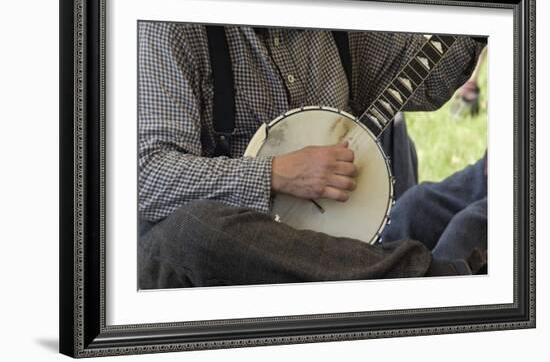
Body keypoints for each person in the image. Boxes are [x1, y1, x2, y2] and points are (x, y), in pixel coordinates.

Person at [137, 22, 486, 289]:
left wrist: (481, 22)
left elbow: (427, 82)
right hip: (206, 266)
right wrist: (278, 173)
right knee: (192, 230)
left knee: (423, 206)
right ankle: (426, 281)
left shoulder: (334, 21)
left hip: (326, 252)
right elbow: (145, 177)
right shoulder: (171, 26)